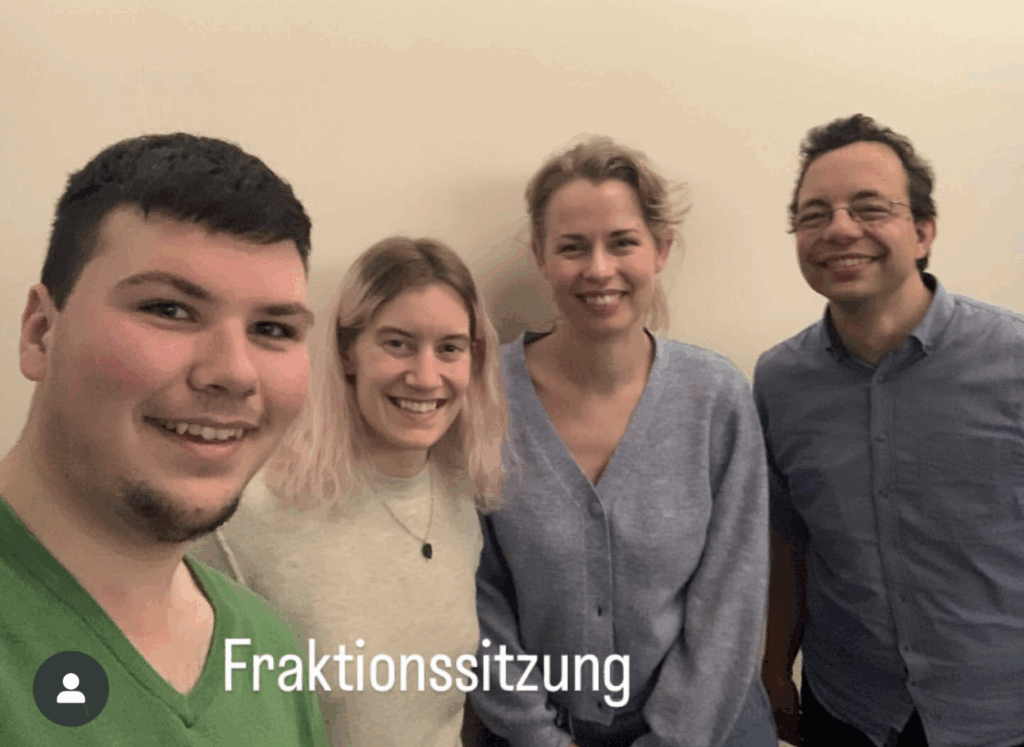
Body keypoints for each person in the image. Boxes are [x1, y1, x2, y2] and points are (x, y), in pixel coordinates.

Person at [0, 134, 326, 745]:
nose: (234, 373)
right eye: (169, 310)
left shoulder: (267, 648)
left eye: (273, 329)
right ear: (42, 331)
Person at [471, 137, 776, 747]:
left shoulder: (714, 396)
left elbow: (732, 596)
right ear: (540, 256)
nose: (599, 269)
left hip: (708, 729)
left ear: (660, 249)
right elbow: (475, 596)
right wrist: (537, 736)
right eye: (572, 247)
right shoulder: (484, 398)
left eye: (622, 242)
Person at [756, 114, 1024, 747]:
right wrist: (772, 670)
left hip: (1002, 712)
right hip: (850, 710)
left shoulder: (1014, 360)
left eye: (869, 208)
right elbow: (787, 542)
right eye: (814, 214)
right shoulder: (779, 381)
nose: (839, 229)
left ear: (923, 231)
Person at [193, 236, 507, 746]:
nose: (425, 377)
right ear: (346, 352)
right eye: (398, 343)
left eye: (449, 348)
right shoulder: (251, 514)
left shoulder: (460, 493)